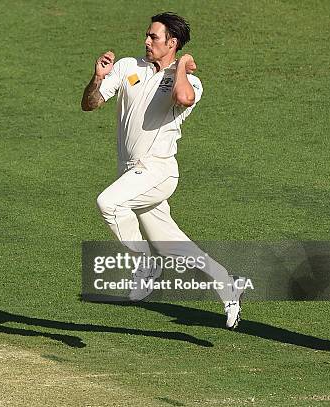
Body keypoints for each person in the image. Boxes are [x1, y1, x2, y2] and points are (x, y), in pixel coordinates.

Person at [81, 12, 244, 329]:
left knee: (108, 203)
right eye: (147, 35)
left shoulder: (189, 80)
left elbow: (183, 97)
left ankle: (144, 262)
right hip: (130, 173)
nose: (146, 41)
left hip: (158, 170)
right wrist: (98, 78)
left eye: (153, 37)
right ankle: (226, 282)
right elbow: (91, 103)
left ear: (172, 43)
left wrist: (180, 66)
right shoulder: (129, 67)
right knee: (173, 243)